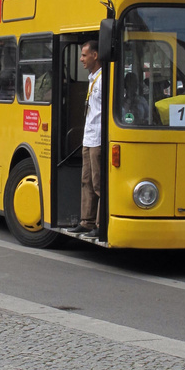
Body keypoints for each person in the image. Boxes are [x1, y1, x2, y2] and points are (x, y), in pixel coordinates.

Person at [72, 40, 102, 238]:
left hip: (98, 139)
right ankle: (87, 221)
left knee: (98, 182)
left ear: (95, 55)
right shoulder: (92, 78)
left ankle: (100, 224)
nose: (81, 59)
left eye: (84, 55)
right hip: (88, 137)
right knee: (86, 182)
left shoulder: (103, 79)